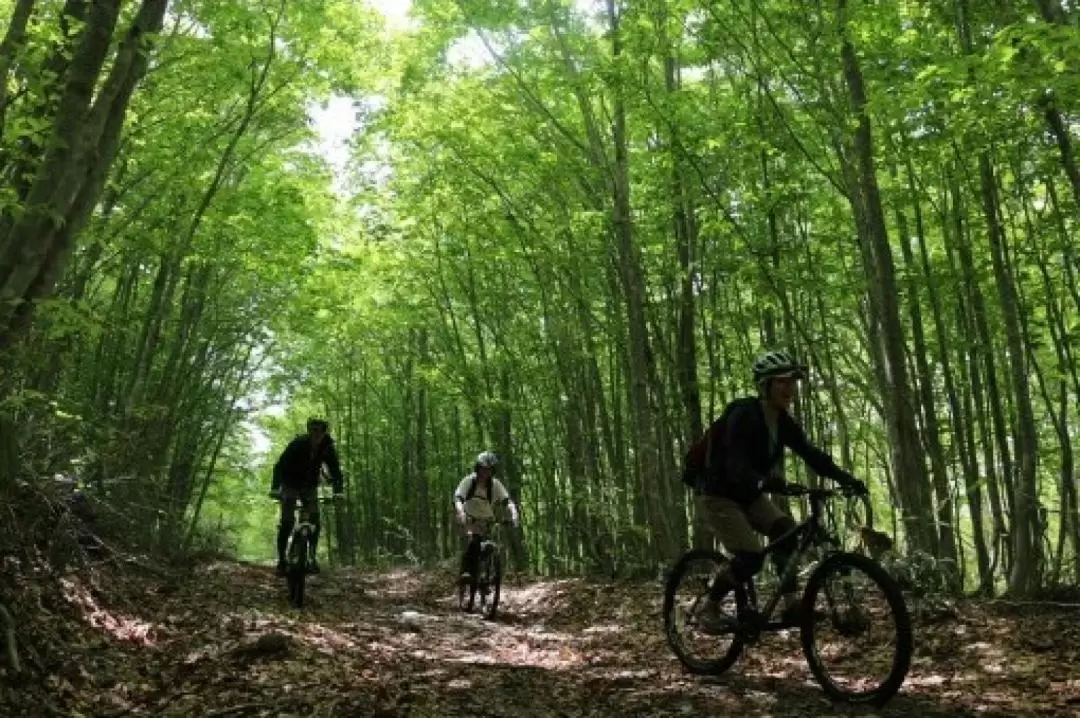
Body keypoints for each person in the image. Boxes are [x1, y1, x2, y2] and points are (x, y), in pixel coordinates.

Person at [682, 350, 867, 632]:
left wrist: (846, 479)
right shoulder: (743, 414)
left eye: (793, 383)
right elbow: (735, 465)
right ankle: (709, 607)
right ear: (765, 386)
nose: (789, 389)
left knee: (785, 531)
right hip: (718, 493)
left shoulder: (782, 422)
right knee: (752, 557)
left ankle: (792, 605)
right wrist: (770, 483)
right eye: (781, 382)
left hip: (749, 494)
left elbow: (811, 455)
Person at [269, 417, 344, 575]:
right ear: (309, 431)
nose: (316, 434)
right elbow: (280, 465)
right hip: (289, 484)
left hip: (309, 486)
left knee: (315, 520)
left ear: (324, 433)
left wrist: (338, 492)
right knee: (287, 522)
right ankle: (282, 561)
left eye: (320, 431)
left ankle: (311, 558)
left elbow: (336, 471)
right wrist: (275, 488)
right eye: (313, 430)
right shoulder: (298, 444)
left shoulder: (327, 447)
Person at [453, 451, 519, 583]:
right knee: (473, 541)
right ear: (477, 468)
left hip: (487, 519)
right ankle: (466, 571)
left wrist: (514, 512)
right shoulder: (468, 481)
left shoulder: (495, 484)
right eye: (483, 469)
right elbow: (458, 497)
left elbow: (507, 500)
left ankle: (488, 573)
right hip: (468, 517)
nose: (485, 473)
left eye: (489, 470)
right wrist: (460, 512)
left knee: (491, 545)